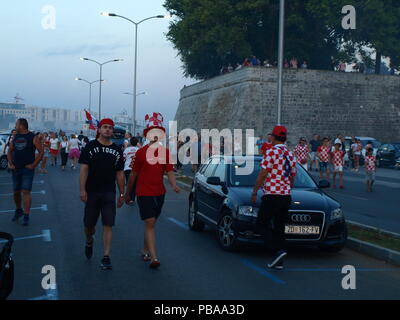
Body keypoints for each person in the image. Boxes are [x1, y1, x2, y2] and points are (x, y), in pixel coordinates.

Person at [125, 112, 180, 269]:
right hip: (143, 192)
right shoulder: (141, 153)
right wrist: (128, 193)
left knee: (151, 223)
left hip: (159, 193)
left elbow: (169, 171)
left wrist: (174, 185)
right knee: (149, 222)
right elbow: (133, 174)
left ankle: (145, 249)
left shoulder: (165, 153)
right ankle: (154, 257)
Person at [79, 118, 125, 270]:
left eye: (110, 128)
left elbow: (119, 174)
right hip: (92, 191)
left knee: (108, 224)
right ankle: (89, 240)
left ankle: (106, 256)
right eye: (105, 127)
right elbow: (84, 169)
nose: (108, 130)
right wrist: (82, 189)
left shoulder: (118, 150)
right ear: (99, 129)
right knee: (89, 225)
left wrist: (122, 193)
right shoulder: (90, 146)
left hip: (108, 193)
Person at [252, 126, 297, 270]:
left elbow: (263, 174)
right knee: (279, 227)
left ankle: (277, 251)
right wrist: (287, 188)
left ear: (274, 137)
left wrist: (254, 191)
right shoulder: (290, 154)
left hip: (272, 195)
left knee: (261, 225)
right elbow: (292, 177)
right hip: (286, 195)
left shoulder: (271, 152)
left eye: (271, 135)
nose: (269, 137)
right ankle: (279, 261)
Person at [7, 119, 44, 226]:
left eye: (16, 124)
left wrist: (33, 165)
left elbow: (41, 151)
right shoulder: (16, 137)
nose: (15, 126)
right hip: (16, 169)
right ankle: (19, 210)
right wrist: (10, 163)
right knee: (16, 192)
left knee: (26, 191)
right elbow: (9, 151)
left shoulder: (32, 137)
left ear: (22, 125)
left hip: (27, 170)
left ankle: (26, 215)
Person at [123, 137, 140, 204]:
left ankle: (129, 197)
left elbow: (123, 159)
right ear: (137, 143)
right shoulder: (139, 150)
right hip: (136, 169)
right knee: (135, 184)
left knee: (129, 183)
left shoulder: (126, 150)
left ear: (130, 142)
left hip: (127, 169)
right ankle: (133, 198)